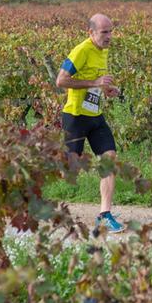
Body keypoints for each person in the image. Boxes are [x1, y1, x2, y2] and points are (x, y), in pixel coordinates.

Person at [55, 13, 125, 233]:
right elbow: (61, 80)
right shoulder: (81, 50)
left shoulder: (102, 51)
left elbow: (96, 84)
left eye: (111, 31)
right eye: (104, 32)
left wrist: (107, 89)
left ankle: (104, 215)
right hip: (75, 117)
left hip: (95, 116)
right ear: (91, 32)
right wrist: (94, 82)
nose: (109, 36)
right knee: (67, 170)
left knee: (109, 158)